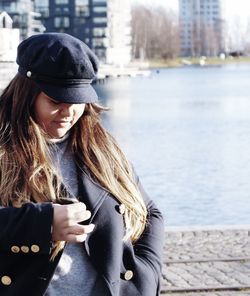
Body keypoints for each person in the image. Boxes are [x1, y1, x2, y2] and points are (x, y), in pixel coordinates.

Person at [0, 32, 164, 296]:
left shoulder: (102, 147)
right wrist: (41, 224)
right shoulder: (3, 148)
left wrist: (147, 273)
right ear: (25, 94)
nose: (68, 112)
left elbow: (151, 213)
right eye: (55, 101)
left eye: (77, 100)